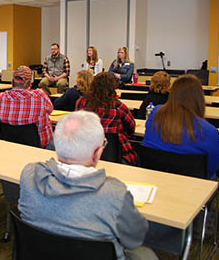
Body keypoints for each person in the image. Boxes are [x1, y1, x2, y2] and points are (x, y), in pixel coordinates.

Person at [19, 111, 157, 260]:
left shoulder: (29, 175)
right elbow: (134, 240)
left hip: (40, 254)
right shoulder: (115, 193)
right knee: (146, 255)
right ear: (98, 153)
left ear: (56, 144)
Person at [143, 74, 219, 185]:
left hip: (157, 178)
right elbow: (210, 170)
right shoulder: (209, 131)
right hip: (194, 186)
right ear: (200, 99)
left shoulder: (155, 113)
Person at [75, 72, 137, 164]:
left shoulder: (81, 102)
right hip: (115, 154)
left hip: (85, 153)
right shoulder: (117, 106)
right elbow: (131, 127)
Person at [0, 66, 54, 149]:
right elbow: (50, 110)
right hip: (38, 146)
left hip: (10, 145)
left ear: (12, 81)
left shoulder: (0, 97)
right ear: (30, 83)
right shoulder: (39, 95)